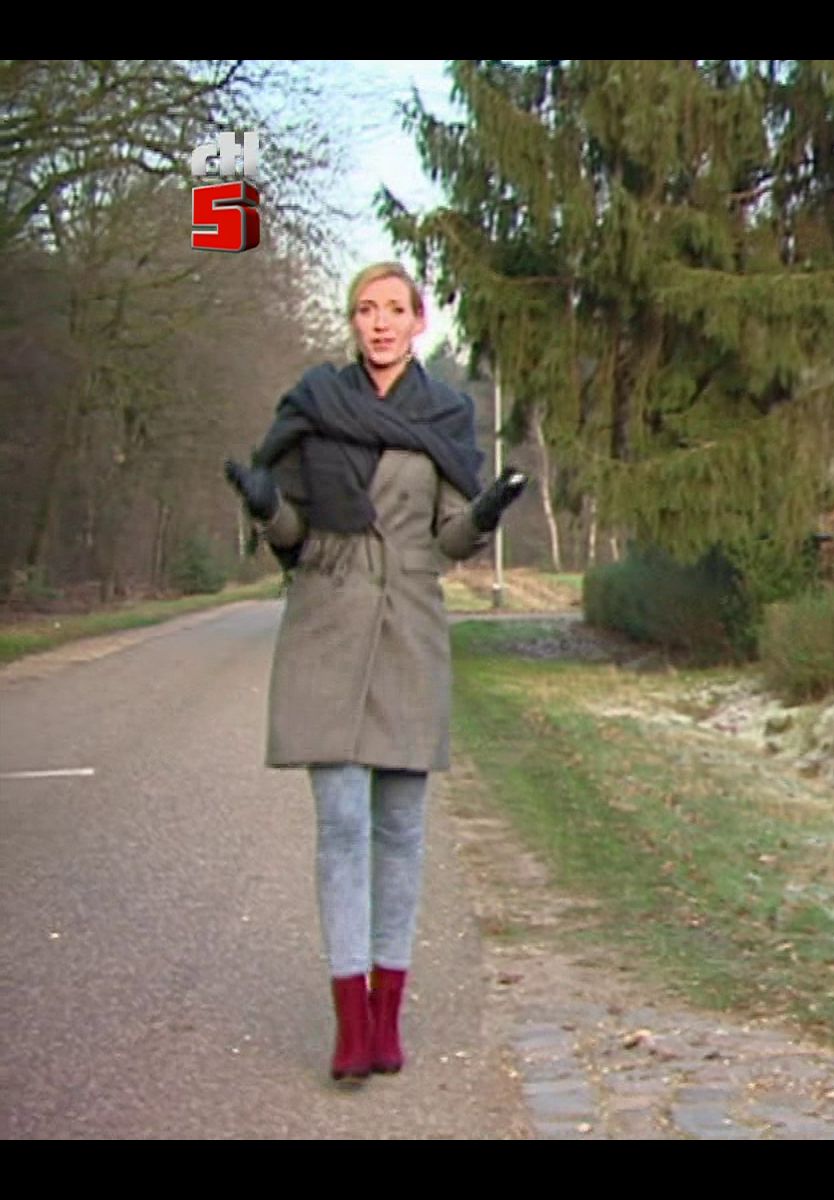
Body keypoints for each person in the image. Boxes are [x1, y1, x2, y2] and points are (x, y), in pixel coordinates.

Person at [222, 262, 528, 1084]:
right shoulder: (313, 406)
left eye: (395, 309)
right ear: (354, 321)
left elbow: (448, 538)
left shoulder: (444, 414)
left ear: (418, 322)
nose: (381, 322)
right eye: (367, 309)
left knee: (400, 828)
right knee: (341, 824)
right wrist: (264, 504)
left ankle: (388, 1017)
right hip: (325, 620)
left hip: (410, 628)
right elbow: (293, 535)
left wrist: (485, 513)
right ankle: (350, 1025)